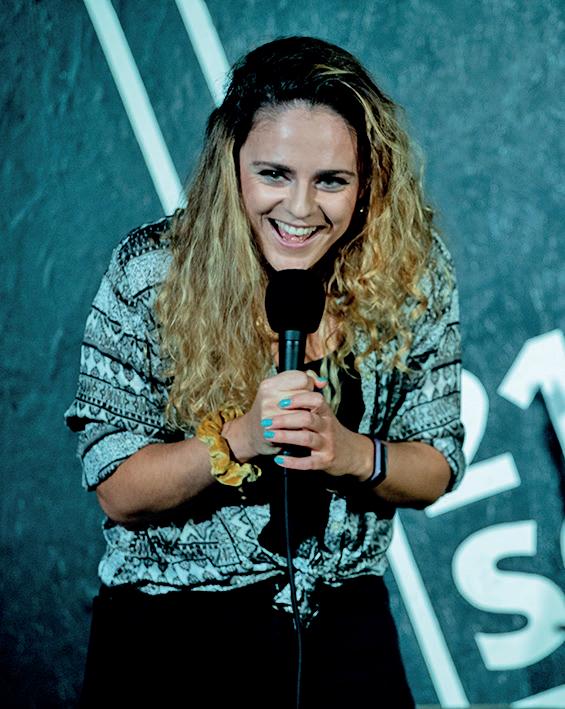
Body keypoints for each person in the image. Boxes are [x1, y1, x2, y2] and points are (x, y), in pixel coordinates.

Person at [65, 36, 464, 708]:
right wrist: (240, 438)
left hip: (344, 628)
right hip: (171, 636)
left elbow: (436, 466)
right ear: (232, 166)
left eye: (331, 180)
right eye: (274, 174)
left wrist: (347, 452)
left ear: (369, 180)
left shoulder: (411, 276)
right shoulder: (151, 272)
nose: (300, 208)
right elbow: (117, 488)